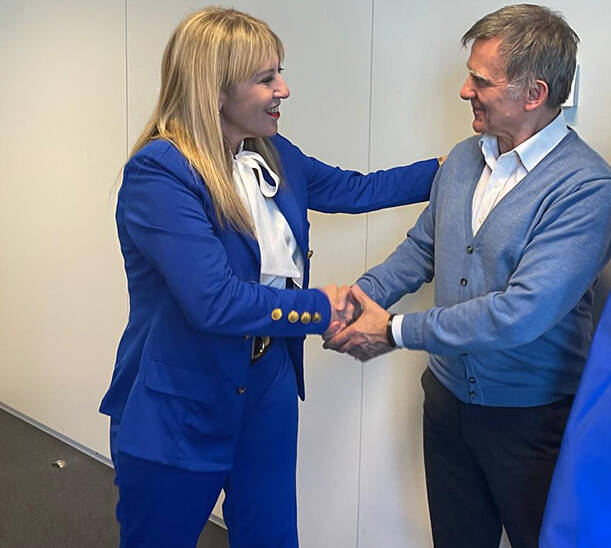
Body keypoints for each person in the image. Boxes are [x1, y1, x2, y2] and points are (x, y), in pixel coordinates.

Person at [98, 7, 439, 547]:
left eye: (279, 72)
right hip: (182, 395)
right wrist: (324, 308)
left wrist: (453, 167)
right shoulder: (160, 173)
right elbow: (214, 301)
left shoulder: (272, 154)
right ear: (215, 89)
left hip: (268, 380)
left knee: (272, 535)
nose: (284, 89)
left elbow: (358, 189)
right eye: (266, 78)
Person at [324, 5, 611, 547]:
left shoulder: (586, 188)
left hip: (531, 422)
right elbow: (422, 249)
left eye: (481, 81)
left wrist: (392, 331)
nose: (465, 91)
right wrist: (359, 299)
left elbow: (520, 313)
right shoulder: (464, 159)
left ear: (533, 93)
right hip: (446, 404)